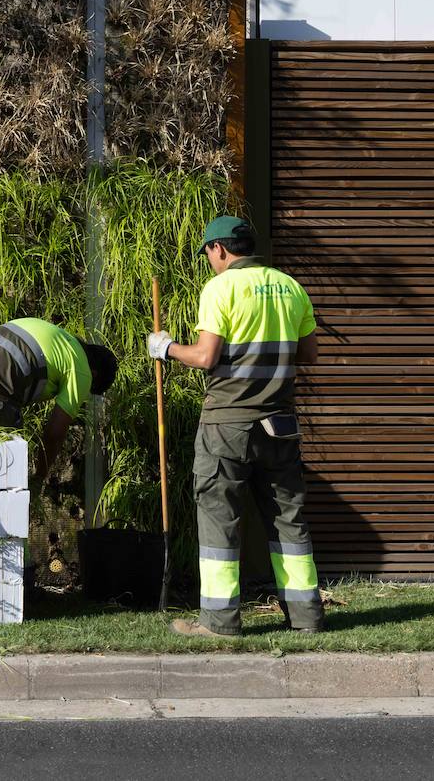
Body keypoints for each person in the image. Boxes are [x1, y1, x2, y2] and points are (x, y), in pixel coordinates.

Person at [146, 216, 323, 637]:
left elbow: (206, 357)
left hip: (228, 425)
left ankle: (221, 622)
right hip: (279, 424)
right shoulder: (290, 287)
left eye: (208, 253)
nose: (209, 260)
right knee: (288, 520)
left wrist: (165, 347)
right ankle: (307, 618)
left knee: (220, 518)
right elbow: (309, 354)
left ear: (220, 249)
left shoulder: (221, 288)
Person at [0, 318, 118, 481]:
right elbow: (54, 434)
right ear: (94, 375)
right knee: (0, 483)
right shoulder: (81, 368)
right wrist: (39, 477)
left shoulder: (55, 336)